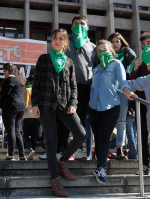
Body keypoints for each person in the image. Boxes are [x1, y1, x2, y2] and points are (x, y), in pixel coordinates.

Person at [31, 29, 86, 197]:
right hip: (46, 106)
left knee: (81, 134)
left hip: (65, 106)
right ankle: (55, 180)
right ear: (52, 41)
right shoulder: (44, 59)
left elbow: (73, 87)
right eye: (55, 38)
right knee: (52, 142)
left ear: (65, 42)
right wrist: (34, 104)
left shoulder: (69, 62)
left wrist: (73, 104)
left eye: (61, 38)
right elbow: (36, 83)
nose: (57, 41)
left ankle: (62, 162)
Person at [88, 39, 136, 184]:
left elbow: (122, 81)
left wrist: (127, 91)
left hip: (111, 106)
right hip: (93, 107)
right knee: (98, 136)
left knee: (103, 136)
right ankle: (100, 160)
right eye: (99, 51)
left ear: (111, 51)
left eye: (104, 49)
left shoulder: (116, 64)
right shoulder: (95, 68)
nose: (102, 52)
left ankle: (101, 168)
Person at [65, 15, 96, 159]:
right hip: (67, 87)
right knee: (65, 119)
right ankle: (62, 149)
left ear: (87, 28)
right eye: (76, 24)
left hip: (85, 87)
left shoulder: (93, 46)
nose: (79, 26)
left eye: (82, 24)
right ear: (71, 27)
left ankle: (78, 149)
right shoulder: (65, 42)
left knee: (81, 120)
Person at [108, 32, 136, 160]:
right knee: (107, 120)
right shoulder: (106, 56)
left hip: (123, 91)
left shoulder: (125, 57)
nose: (114, 44)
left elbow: (133, 55)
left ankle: (119, 149)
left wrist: (124, 47)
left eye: (117, 41)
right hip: (108, 90)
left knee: (122, 121)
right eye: (112, 41)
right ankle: (104, 148)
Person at [129, 32, 150, 175]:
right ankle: (144, 165)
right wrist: (135, 69)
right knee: (142, 134)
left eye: (148, 43)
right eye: (143, 45)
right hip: (141, 103)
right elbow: (130, 83)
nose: (145, 47)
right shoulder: (139, 62)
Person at [1, 63, 26, 161]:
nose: (4, 74)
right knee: (16, 131)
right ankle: (22, 155)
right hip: (21, 107)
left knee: (11, 130)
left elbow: (4, 95)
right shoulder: (19, 79)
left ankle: (10, 156)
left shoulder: (9, 80)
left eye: (4, 71)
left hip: (11, 107)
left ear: (7, 71)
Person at [128, 74, 150, 175]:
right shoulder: (147, 79)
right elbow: (131, 83)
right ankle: (145, 165)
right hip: (146, 113)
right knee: (144, 138)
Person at [23, 76, 42, 160]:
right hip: (38, 115)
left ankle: (30, 149)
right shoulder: (40, 91)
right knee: (34, 134)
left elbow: (26, 104)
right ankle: (33, 151)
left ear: (29, 82)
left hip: (28, 114)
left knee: (25, 134)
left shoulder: (27, 90)